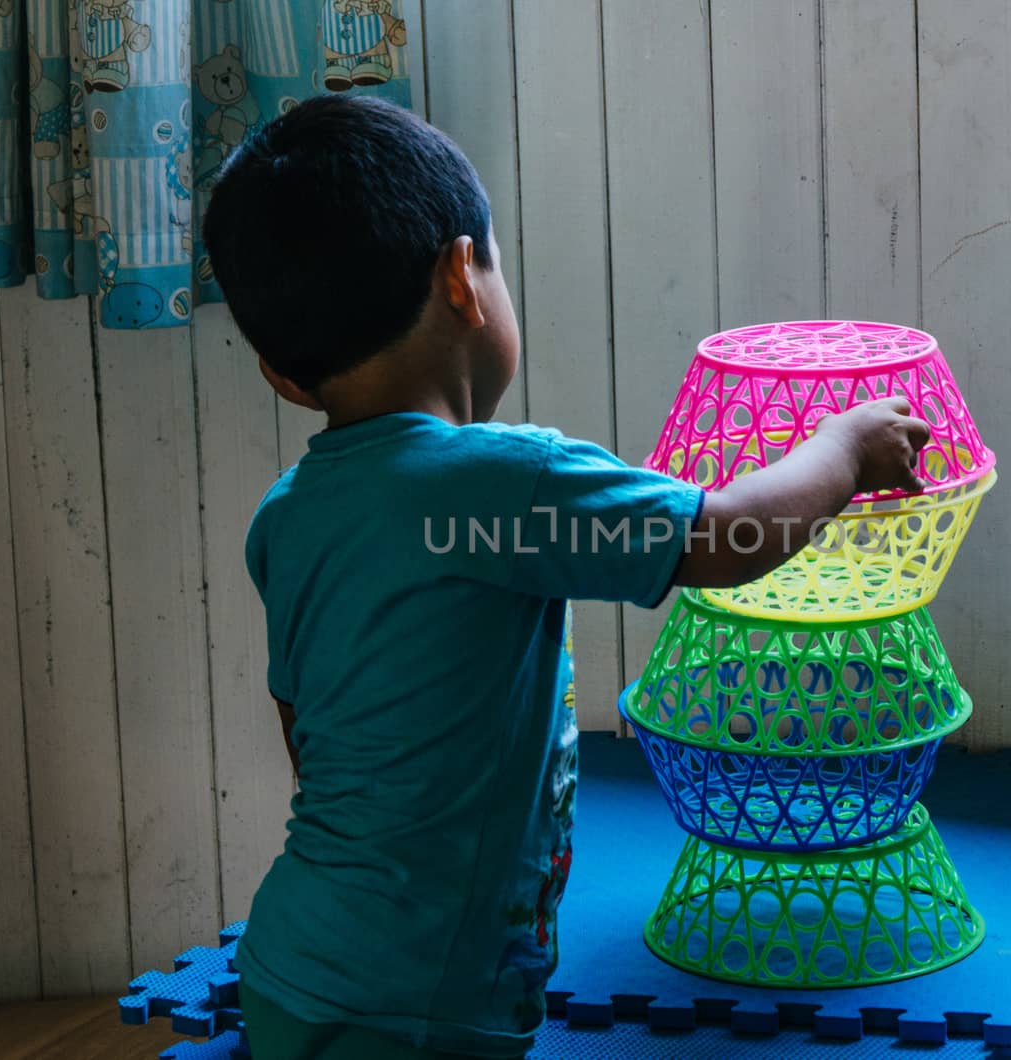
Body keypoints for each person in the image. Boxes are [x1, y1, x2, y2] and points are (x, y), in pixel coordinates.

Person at [200, 94, 930, 1059]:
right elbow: (723, 540)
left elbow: (308, 734)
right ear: (464, 278)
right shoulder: (500, 484)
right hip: (425, 996)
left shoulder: (288, 516)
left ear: (281, 374)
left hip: (293, 967)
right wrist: (844, 446)